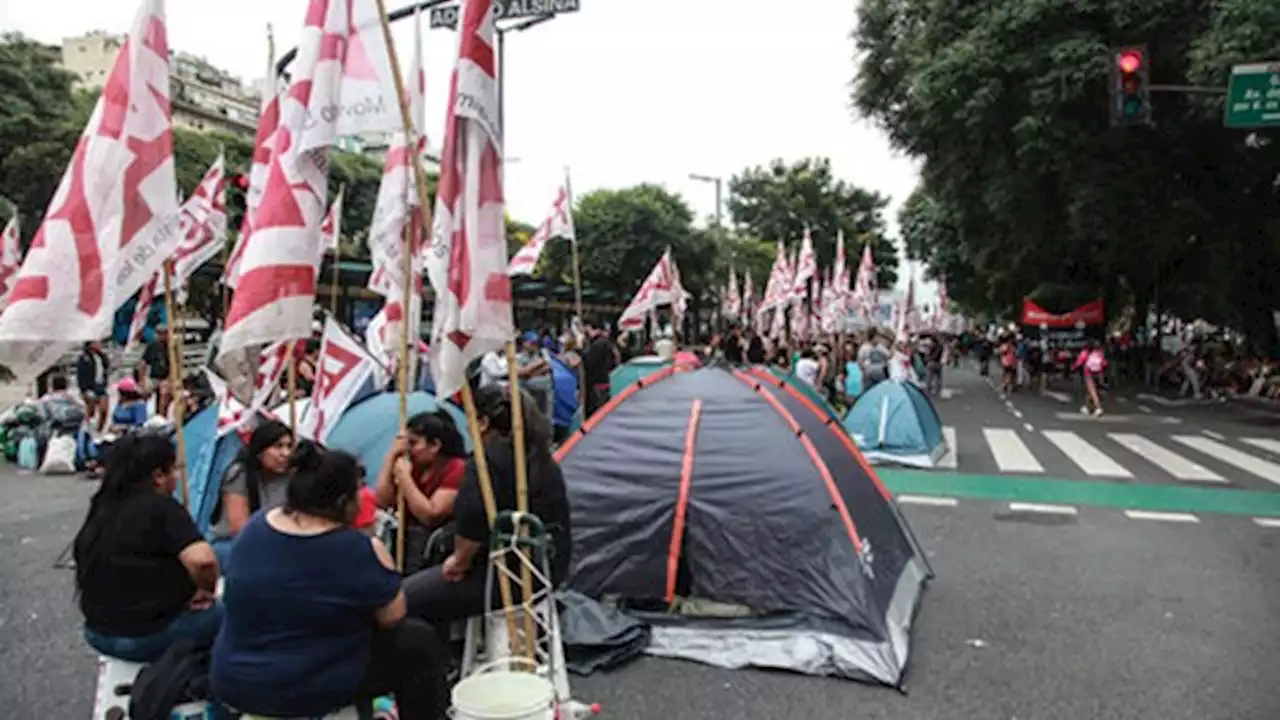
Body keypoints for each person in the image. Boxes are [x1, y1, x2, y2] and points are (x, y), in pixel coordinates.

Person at [212, 447, 448, 719]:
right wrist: (381, 556)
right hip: (300, 687)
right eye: (359, 491)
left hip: (235, 679)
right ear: (342, 500)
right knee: (416, 641)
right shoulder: (353, 549)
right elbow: (393, 616)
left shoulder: (257, 526)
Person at [404, 385, 572, 642]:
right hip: (549, 569)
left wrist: (458, 561)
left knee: (403, 601)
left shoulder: (486, 462)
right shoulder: (541, 456)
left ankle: (437, 668)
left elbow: (473, 522)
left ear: (483, 422)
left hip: (507, 575)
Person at [73, 434, 221, 662]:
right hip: (148, 635)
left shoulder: (103, 504)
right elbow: (203, 561)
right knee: (238, 611)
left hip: (97, 632)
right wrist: (205, 590)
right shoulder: (161, 507)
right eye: (174, 470)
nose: (177, 478)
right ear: (158, 476)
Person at [374, 410, 468, 573]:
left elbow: (430, 515)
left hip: (437, 553)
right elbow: (383, 500)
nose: (407, 449)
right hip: (407, 545)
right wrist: (391, 456)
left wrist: (405, 478)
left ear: (434, 446)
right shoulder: (414, 467)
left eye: (413, 443)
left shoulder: (456, 469)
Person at [209, 420, 295, 568]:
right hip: (235, 545)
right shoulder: (240, 475)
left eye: (289, 446)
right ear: (260, 451)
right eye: (278, 447)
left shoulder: (292, 478)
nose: (285, 453)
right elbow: (241, 529)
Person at [581, 323, 620, 418]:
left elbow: (588, 361)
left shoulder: (598, 343)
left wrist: (581, 347)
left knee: (596, 414)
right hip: (602, 382)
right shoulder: (605, 342)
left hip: (596, 384)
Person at [76, 340, 110, 433]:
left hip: (100, 385)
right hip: (89, 386)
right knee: (90, 409)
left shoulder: (101, 357)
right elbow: (80, 374)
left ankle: (99, 429)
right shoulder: (84, 358)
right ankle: (87, 429)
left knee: (104, 409)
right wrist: (84, 389)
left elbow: (106, 368)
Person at [140, 325, 173, 418]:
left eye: (164, 334)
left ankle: (161, 417)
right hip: (153, 377)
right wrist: (142, 380)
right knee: (143, 393)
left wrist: (169, 379)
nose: (162, 336)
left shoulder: (171, 347)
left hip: (166, 377)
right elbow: (143, 363)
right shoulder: (151, 346)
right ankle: (141, 415)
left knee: (164, 393)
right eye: (159, 333)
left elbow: (174, 365)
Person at [1074, 340, 1107, 416]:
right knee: (1090, 391)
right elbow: (1104, 363)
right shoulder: (1099, 353)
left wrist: (1074, 367)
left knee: (1092, 391)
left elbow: (1078, 363)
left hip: (1088, 374)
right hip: (1099, 373)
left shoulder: (1085, 352)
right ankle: (1086, 407)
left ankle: (1098, 408)